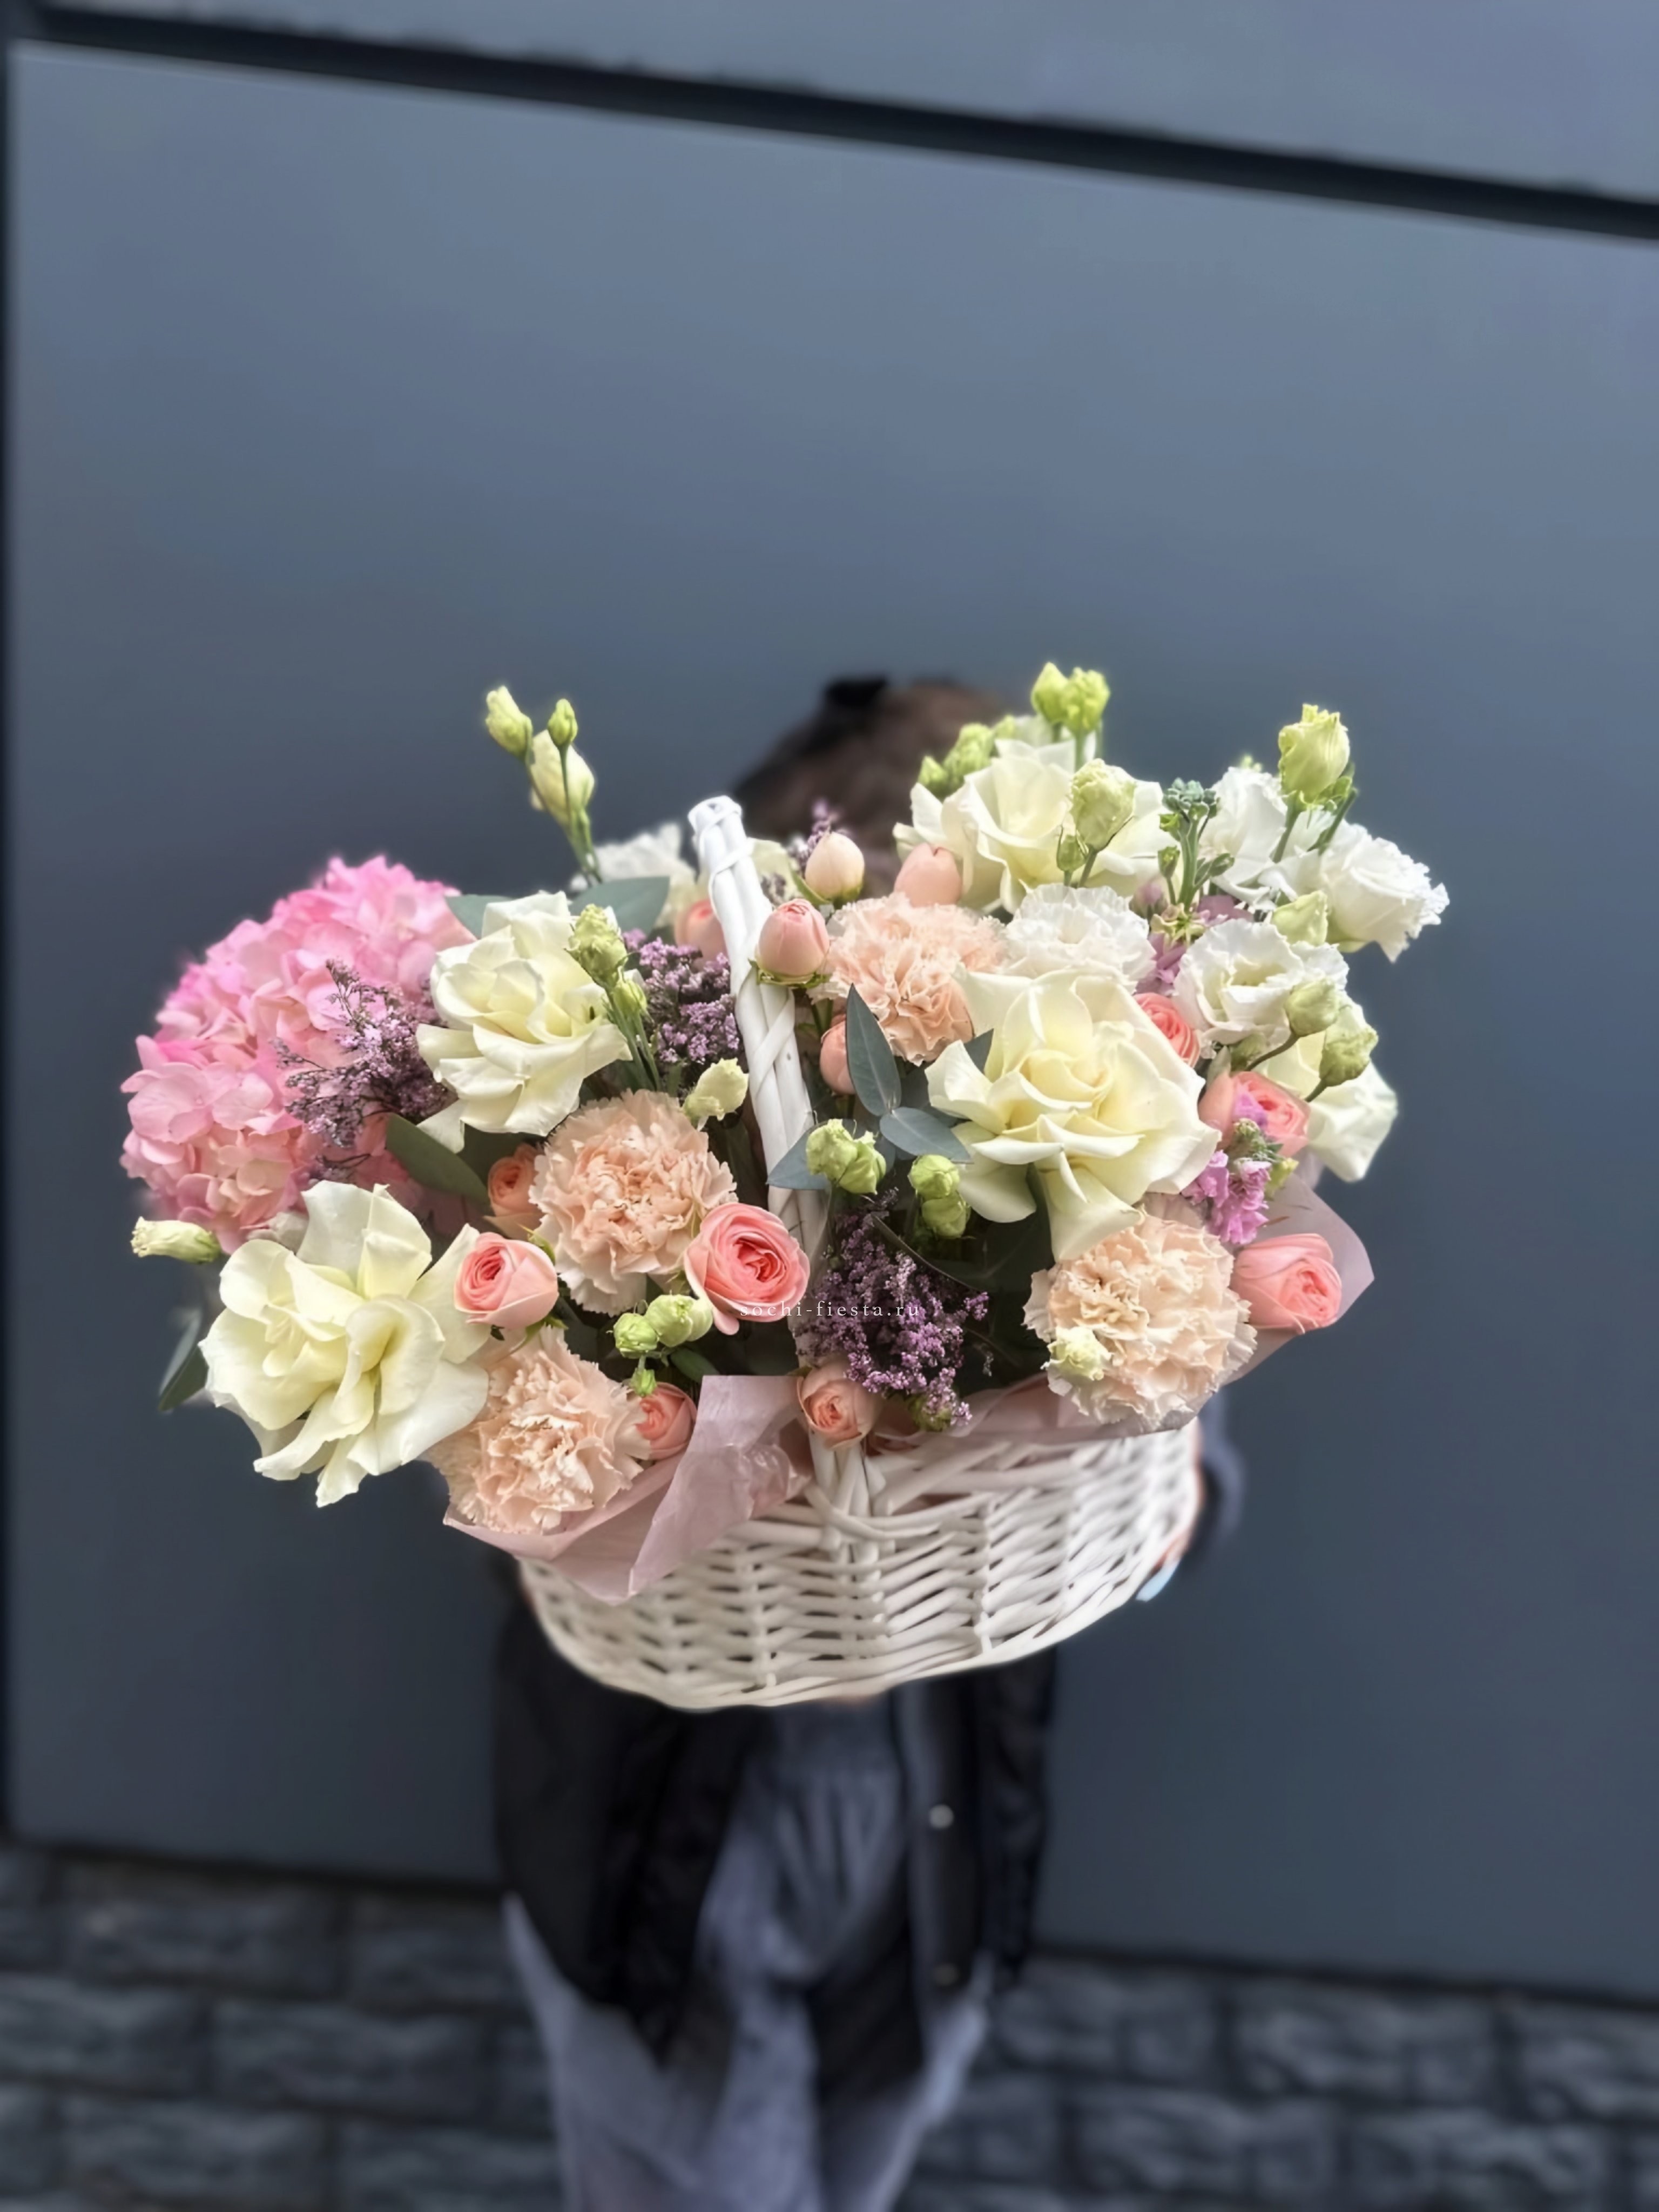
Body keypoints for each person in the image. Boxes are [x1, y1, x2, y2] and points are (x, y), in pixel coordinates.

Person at [497, 677, 1245, 2212]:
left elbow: (1183, 1467)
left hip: (938, 1833)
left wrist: (1154, 1514)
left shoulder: (1081, 1189)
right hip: (668, 1831)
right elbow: (511, 1483)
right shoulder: (650, 1124)